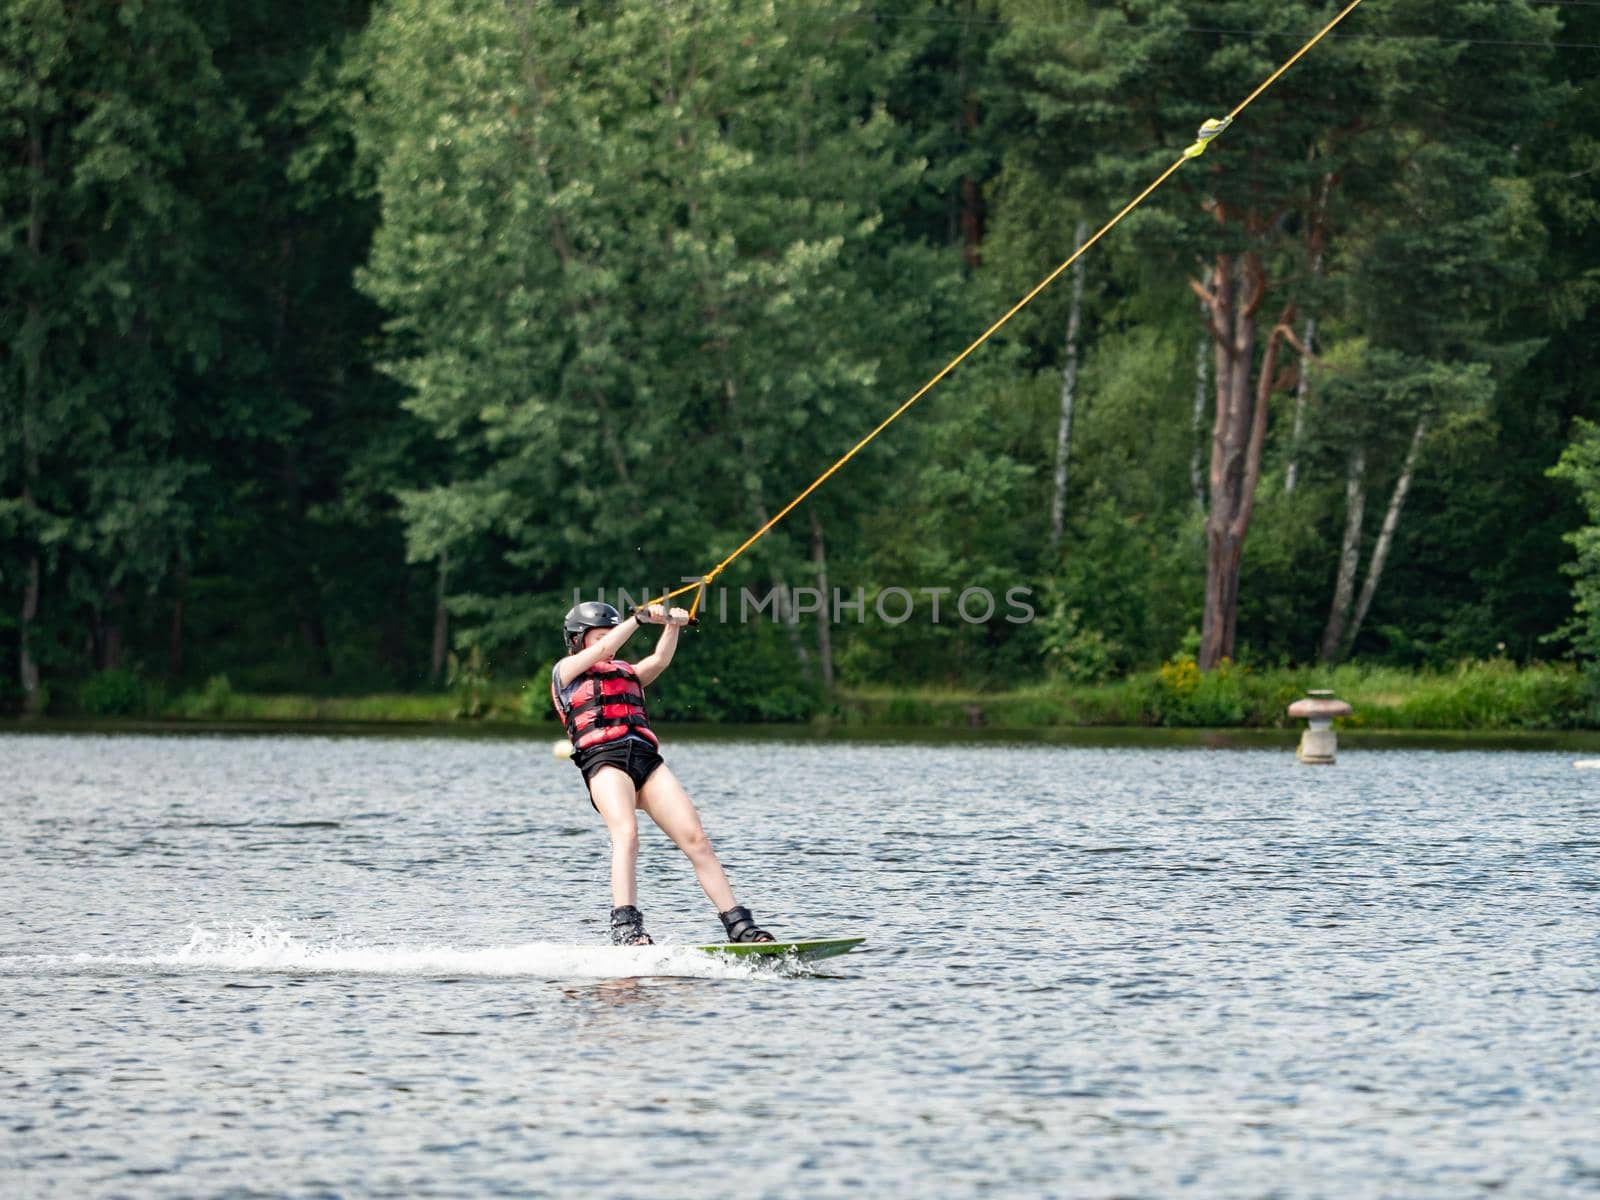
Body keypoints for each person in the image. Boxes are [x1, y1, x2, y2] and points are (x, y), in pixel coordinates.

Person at [550, 600, 776, 947]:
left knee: (697, 840)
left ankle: (740, 928)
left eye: (611, 634)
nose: (608, 643)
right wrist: (638, 619)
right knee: (627, 835)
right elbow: (609, 648)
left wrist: (673, 625)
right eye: (599, 637)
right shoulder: (565, 672)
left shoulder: (627, 672)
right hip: (604, 761)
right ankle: (627, 929)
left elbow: (659, 661)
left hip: (645, 759)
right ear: (579, 641)